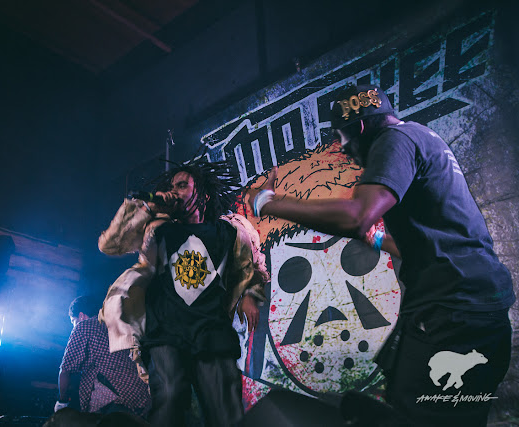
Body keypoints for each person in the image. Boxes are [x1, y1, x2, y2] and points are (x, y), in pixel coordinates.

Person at [246, 84, 515, 426]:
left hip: (452, 313)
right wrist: (377, 242)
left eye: (342, 139)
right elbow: (415, 242)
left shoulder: (395, 140)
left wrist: (268, 202)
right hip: (478, 310)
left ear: (359, 127)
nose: (345, 151)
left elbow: (358, 215)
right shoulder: (422, 138)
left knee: (415, 412)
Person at [98, 159, 269, 427]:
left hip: (211, 331)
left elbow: (251, 267)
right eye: (172, 186)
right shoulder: (158, 229)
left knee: (224, 409)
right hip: (166, 332)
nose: (175, 191)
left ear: (203, 194)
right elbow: (111, 245)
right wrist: (146, 207)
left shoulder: (228, 232)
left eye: (182, 185)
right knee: (169, 399)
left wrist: (249, 294)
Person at [55, 296, 151, 418]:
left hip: (117, 396)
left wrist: (62, 402)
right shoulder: (116, 325)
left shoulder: (83, 326)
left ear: (81, 316)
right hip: (141, 394)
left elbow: (65, 370)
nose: (74, 327)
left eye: (73, 322)